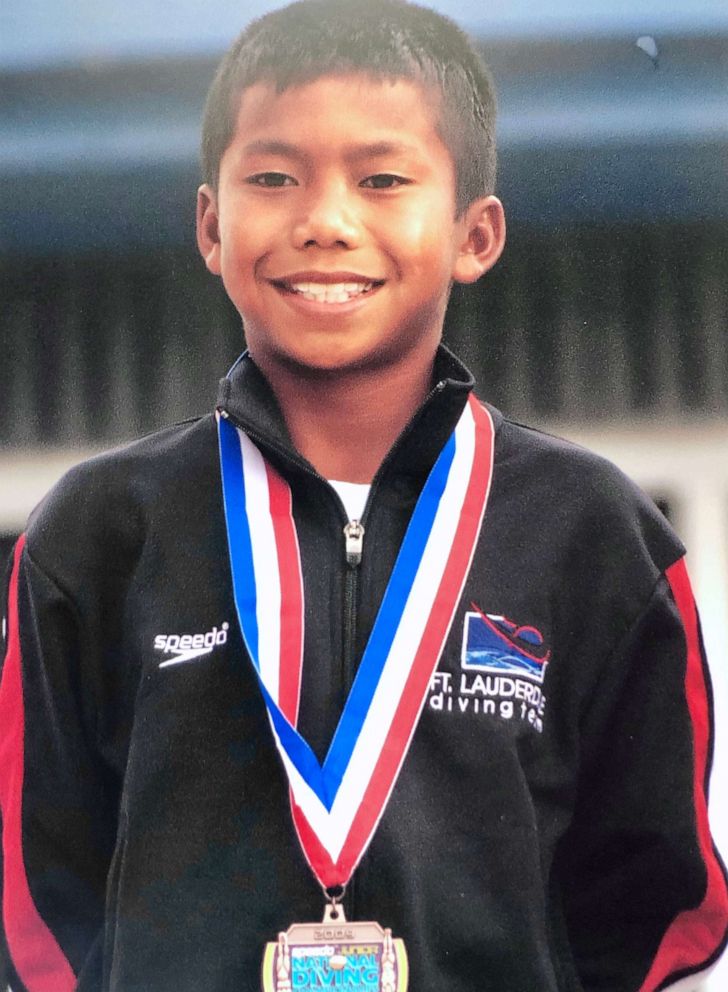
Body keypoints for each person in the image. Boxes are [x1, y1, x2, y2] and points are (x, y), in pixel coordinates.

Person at [1, 0, 727, 989]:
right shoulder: (94, 532)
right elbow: (37, 904)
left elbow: (658, 904)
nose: (324, 220)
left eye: (381, 178)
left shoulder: (595, 534)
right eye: (273, 177)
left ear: (474, 233)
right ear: (211, 225)